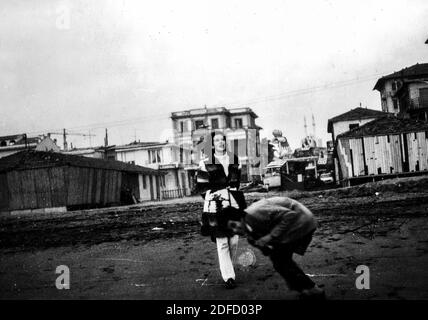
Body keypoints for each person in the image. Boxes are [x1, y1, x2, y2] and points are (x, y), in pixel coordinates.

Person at [219, 196, 325, 299]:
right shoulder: (248, 226)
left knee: (282, 260)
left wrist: (270, 237)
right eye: (231, 230)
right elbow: (266, 248)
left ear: (238, 217)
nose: (235, 230)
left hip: (302, 220)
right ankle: (306, 289)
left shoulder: (255, 213)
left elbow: (290, 215)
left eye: (233, 225)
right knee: (279, 261)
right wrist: (263, 246)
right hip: (295, 223)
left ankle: (313, 290)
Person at [196, 131, 246, 289]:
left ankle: (228, 269)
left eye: (222, 139)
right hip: (215, 205)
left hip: (234, 202)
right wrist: (215, 198)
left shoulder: (234, 159)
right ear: (212, 144)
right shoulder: (205, 162)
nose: (220, 142)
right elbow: (202, 187)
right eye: (216, 140)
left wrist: (231, 195)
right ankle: (229, 276)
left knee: (234, 239)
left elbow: (236, 181)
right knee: (222, 241)